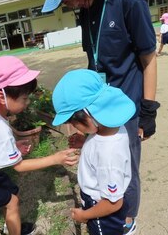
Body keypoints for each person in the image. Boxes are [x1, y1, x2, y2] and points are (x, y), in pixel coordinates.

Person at [42, 0, 160, 234]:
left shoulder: (128, 2)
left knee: (124, 170)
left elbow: (149, 59)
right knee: (104, 156)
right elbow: (94, 62)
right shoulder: (86, 8)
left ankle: (125, 222)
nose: (69, 5)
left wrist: (148, 111)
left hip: (123, 105)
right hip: (96, 108)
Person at [0, 56, 79, 235]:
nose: (27, 103)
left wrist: (13, 148)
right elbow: (18, 166)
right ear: (2, 97)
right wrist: (55, 159)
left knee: (12, 194)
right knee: (11, 202)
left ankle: (12, 228)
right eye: (24, 98)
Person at [52, 69, 135, 235]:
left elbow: (113, 203)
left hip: (101, 210)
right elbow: (101, 148)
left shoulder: (108, 153)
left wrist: (84, 215)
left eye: (73, 122)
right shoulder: (111, 125)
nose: (73, 127)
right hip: (106, 199)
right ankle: (125, 226)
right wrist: (86, 144)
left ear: (89, 114)